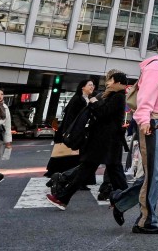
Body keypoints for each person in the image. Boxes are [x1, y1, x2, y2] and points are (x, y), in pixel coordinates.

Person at [46, 70, 129, 210]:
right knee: (110, 171)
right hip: (104, 140)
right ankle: (125, 199)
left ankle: (62, 198)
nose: (107, 83)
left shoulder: (118, 96)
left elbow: (104, 113)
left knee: (93, 169)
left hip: (106, 141)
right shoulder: (111, 95)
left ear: (118, 83)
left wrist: (94, 103)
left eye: (111, 80)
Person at [110, 35, 158, 233]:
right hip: (153, 123)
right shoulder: (156, 65)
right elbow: (146, 94)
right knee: (154, 174)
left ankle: (121, 201)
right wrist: (143, 120)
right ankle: (146, 220)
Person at [45, 79, 95, 179]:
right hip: (72, 131)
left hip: (78, 131)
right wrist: (66, 132)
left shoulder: (86, 99)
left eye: (93, 85)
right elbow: (69, 116)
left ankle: (69, 175)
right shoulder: (77, 99)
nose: (92, 87)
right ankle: (67, 176)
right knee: (70, 155)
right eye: (89, 85)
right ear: (82, 87)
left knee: (72, 155)